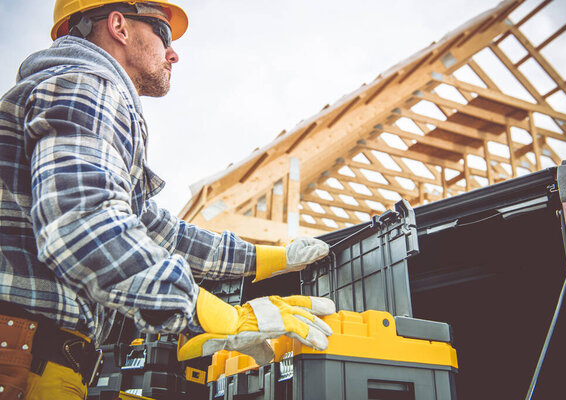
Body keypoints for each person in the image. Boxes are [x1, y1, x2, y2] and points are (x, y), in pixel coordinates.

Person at [0, 1, 334, 398]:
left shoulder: (71, 87)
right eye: (164, 33)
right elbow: (83, 228)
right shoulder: (87, 86)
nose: (173, 52)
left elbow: (149, 228)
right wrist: (205, 312)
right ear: (119, 26)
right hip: (24, 365)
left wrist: (263, 259)